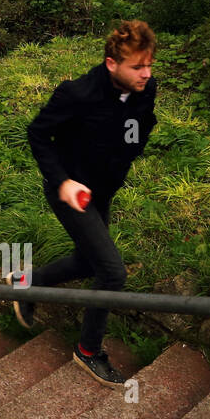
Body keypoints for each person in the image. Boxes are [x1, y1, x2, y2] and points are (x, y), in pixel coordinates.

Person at [18, 20, 158, 389]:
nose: (146, 74)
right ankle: (88, 350)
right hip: (70, 193)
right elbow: (37, 134)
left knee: (87, 260)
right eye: (137, 67)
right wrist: (63, 181)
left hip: (104, 191)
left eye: (149, 65)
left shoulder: (146, 88)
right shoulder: (77, 93)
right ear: (112, 63)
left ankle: (27, 283)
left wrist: (132, 146)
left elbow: (141, 125)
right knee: (112, 272)